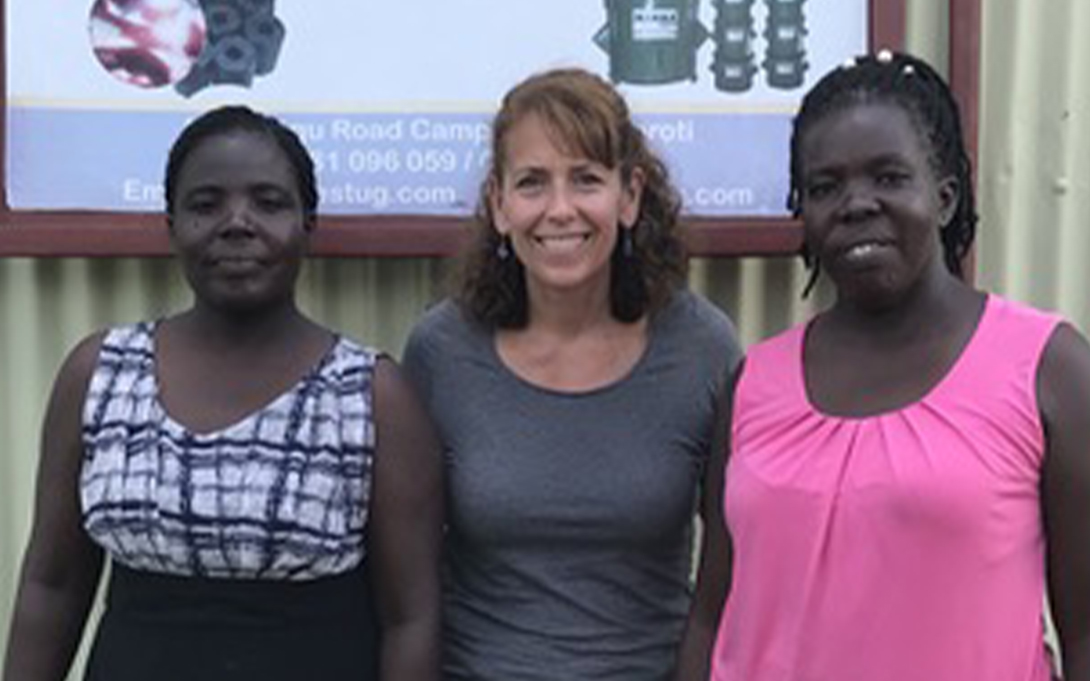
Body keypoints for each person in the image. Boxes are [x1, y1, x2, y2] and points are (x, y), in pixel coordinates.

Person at [675, 51, 1090, 681]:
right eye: (824, 187)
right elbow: (712, 613)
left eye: (890, 177)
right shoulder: (754, 383)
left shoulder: (1048, 368)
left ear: (945, 197)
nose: (856, 203)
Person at [2, 106, 443, 681]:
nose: (237, 223)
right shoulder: (101, 374)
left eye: (269, 201)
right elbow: (51, 585)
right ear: (171, 225)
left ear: (307, 223)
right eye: (206, 204)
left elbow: (412, 617)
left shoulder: (370, 395)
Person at [401, 67, 743, 680]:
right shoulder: (441, 351)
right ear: (498, 205)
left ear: (630, 195)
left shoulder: (701, 348)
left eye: (586, 179)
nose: (560, 210)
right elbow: (410, 583)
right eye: (532, 183)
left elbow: (726, 581)